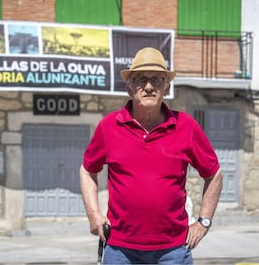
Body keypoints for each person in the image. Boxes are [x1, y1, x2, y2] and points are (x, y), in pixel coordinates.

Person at [79, 47, 223, 264]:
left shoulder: (187, 127)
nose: (148, 86)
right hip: (120, 250)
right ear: (129, 88)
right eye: (140, 79)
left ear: (167, 87)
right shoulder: (109, 127)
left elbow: (214, 174)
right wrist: (94, 214)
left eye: (157, 80)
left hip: (173, 250)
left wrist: (204, 221)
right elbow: (88, 170)